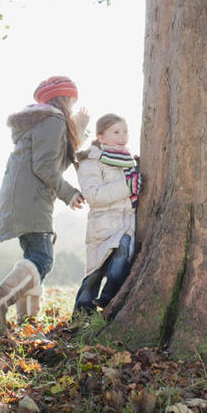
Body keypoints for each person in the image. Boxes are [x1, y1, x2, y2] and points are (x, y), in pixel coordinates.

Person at [0, 75, 89, 328]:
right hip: (32, 198)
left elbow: (57, 158)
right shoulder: (53, 120)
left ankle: (28, 324)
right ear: (65, 99)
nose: (73, 108)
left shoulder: (42, 121)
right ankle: (0, 297)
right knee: (43, 259)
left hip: (22, 197)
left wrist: (78, 131)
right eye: (72, 102)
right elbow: (45, 166)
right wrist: (70, 193)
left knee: (33, 257)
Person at [73, 113, 140, 315]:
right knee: (94, 273)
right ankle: (82, 313)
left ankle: (109, 298)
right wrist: (127, 186)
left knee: (122, 256)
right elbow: (93, 195)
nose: (122, 136)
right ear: (101, 137)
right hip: (102, 225)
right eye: (116, 132)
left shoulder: (129, 161)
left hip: (125, 224)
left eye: (125, 131)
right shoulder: (91, 161)